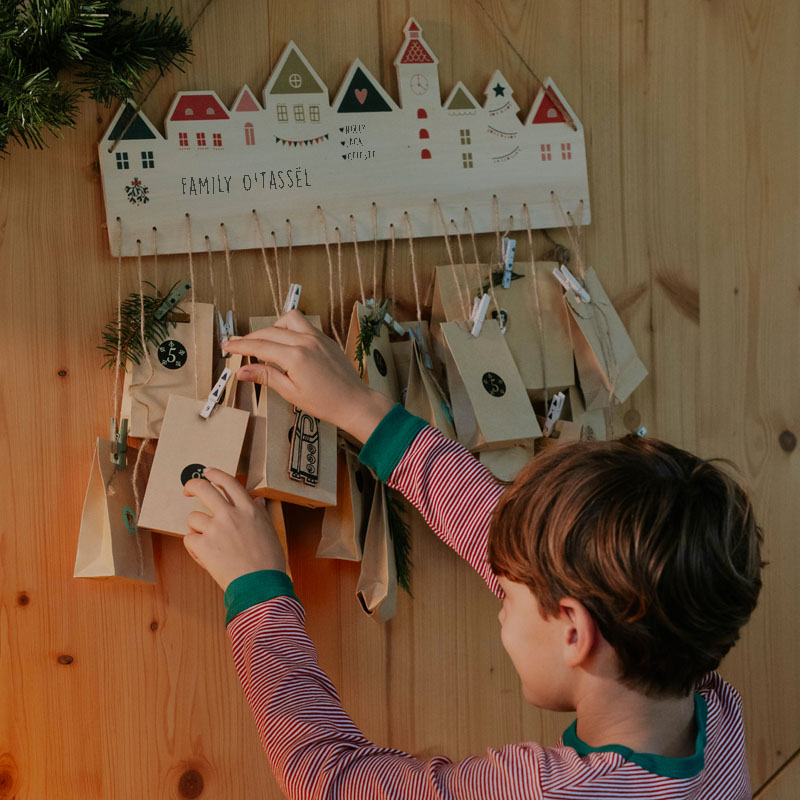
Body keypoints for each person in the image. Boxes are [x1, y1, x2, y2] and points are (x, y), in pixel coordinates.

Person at [182, 310, 763, 799]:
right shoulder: (710, 711)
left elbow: (332, 780)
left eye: (505, 594)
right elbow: (521, 543)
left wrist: (257, 588)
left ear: (574, 631)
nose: (498, 598)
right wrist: (364, 411)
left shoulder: (537, 790)